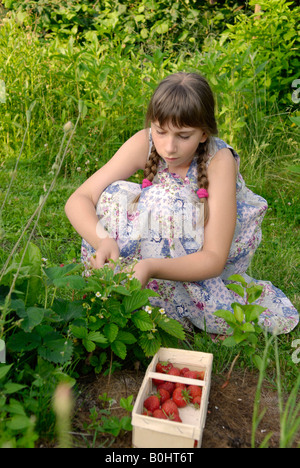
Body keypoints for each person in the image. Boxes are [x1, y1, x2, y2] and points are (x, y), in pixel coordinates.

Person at [65, 72, 298, 335]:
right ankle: (123, 280)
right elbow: (79, 198)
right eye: (160, 131)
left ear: (203, 133)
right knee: (114, 192)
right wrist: (103, 241)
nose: (169, 147)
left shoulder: (218, 161)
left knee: (167, 202)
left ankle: (163, 289)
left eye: (183, 136)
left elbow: (214, 259)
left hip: (198, 265)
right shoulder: (145, 143)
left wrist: (150, 267)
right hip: (158, 247)